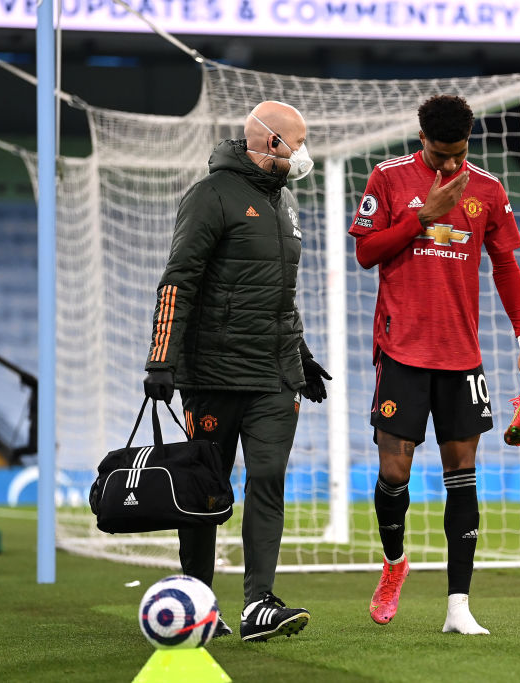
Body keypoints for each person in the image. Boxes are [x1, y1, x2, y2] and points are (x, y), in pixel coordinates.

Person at [349, 95, 520, 635]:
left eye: (460, 154)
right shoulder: (388, 178)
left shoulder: (488, 190)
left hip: (462, 357)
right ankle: (394, 566)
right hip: (403, 350)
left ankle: (458, 605)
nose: (452, 166)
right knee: (395, 472)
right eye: (441, 155)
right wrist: (422, 217)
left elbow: (505, 265)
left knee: (462, 475)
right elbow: (366, 254)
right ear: (423, 140)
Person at [142, 100, 331, 643]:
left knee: (268, 481)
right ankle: (198, 601)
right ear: (272, 143)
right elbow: (179, 279)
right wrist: (162, 359)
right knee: (206, 492)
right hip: (213, 375)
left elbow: (276, 295)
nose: (304, 152)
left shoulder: (284, 203)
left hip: (274, 377)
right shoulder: (210, 196)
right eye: (300, 141)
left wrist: (301, 352)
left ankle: (259, 605)